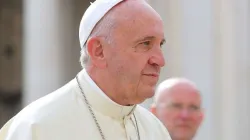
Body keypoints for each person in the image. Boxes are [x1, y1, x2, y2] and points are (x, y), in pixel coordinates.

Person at [0, 0, 172, 140]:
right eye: (145, 44)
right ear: (98, 51)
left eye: (160, 45)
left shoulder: (155, 130)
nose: (160, 60)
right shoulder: (36, 128)